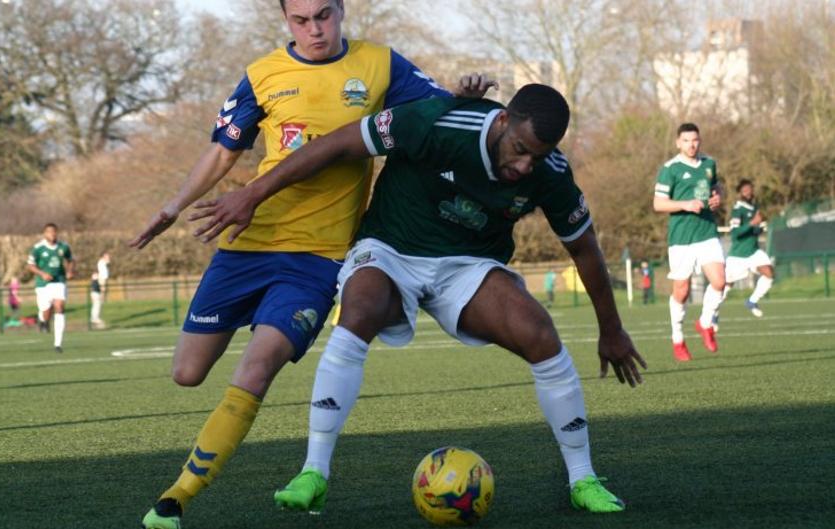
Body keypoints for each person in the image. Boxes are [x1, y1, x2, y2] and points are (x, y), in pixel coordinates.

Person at [195, 84, 646, 514]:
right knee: (361, 306)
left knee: (540, 334)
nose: (526, 166)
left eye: (538, 157)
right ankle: (313, 472)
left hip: (468, 265)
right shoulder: (437, 123)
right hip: (391, 250)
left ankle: (583, 479)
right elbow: (335, 145)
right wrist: (253, 193)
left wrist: (611, 329)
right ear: (503, 120)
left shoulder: (549, 172)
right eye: (520, 150)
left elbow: (583, 246)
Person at [128, 1, 485, 526]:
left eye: (324, 15)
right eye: (301, 20)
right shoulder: (263, 74)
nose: (314, 29)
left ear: (341, 11)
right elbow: (223, 151)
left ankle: (176, 498)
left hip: (317, 259)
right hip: (248, 241)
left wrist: (465, 94)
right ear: (286, 21)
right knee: (187, 372)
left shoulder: (382, 66)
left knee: (258, 364)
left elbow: (439, 110)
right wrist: (172, 205)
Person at [653, 123, 725, 362]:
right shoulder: (670, 169)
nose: (691, 145)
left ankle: (705, 323)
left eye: (695, 140)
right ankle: (677, 338)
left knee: (719, 281)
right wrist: (685, 204)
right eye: (686, 141)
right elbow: (658, 203)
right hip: (682, 237)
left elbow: (716, 187)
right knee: (681, 292)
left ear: (699, 141)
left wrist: (717, 199)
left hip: (706, 232)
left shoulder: (709, 164)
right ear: (678, 143)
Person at [725, 179, 773, 317]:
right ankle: (713, 314)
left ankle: (752, 301)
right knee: (726, 285)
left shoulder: (754, 207)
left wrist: (759, 227)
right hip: (738, 254)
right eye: (744, 189)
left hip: (753, 251)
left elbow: (754, 230)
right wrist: (752, 223)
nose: (748, 191)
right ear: (740, 192)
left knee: (769, 272)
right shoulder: (738, 209)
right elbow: (735, 233)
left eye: (749, 188)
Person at [27, 223, 74, 353]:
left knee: (59, 306)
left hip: (59, 281)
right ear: (45, 234)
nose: (52, 235)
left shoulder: (63, 246)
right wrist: (42, 274)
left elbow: (70, 260)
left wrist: (70, 271)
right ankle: (43, 320)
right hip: (43, 285)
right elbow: (30, 265)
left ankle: (58, 343)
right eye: (49, 232)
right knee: (45, 311)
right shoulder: (38, 248)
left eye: (54, 232)